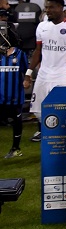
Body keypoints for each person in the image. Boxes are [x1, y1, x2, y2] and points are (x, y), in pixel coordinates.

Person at [24, 0, 66, 142]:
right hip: (44, 74)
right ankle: (42, 131)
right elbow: (38, 51)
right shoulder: (42, 27)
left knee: (62, 107)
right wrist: (28, 73)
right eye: (46, 7)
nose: (48, 10)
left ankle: (62, 133)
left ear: (60, 8)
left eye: (51, 7)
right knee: (38, 108)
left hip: (62, 74)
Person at [0, 23, 27, 157]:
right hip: (0, 96)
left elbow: (26, 72)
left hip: (15, 96)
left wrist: (26, 80)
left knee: (17, 121)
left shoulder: (20, 54)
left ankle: (15, 148)